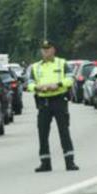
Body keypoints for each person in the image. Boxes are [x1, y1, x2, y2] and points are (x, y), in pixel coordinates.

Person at [27, 41, 78, 172]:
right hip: (43, 102)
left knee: (64, 131)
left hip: (59, 100)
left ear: (53, 50)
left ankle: (70, 161)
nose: (45, 52)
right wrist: (37, 87)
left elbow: (70, 79)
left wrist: (58, 85)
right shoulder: (35, 67)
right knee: (42, 133)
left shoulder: (62, 63)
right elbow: (29, 83)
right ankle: (45, 162)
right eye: (43, 50)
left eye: (48, 49)